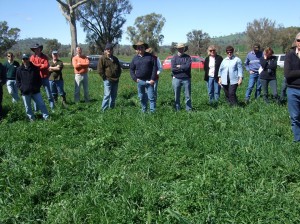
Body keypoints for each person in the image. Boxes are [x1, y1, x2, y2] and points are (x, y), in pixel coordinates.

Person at [16, 54, 49, 121]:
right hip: (25, 92)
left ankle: (46, 117)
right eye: (23, 59)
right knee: (27, 107)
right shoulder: (19, 69)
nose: (25, 60)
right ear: (22, 60)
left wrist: (37, 87)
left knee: (41, 104)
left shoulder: (35, 68)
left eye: (26, 59)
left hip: (35, 91)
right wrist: (22, 88)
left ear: (29, 59)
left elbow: (39, 79)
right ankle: (32, 119)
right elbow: (17, 81)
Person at [130, 41, 157, 113]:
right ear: (137, 49)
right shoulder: (135, 58)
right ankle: (144, 110)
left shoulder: (150, 57)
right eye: (138, 47)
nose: (140, 49)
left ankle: (152, 113)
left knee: (151, 97)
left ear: (144, 48)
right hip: (140, 81)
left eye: (142, 47)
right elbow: (131, 69)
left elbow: (155, 68)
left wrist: (152, 79)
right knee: (141, 97)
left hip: (149, 81)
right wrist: (135, 79)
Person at [284, 32, 300, 142]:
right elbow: (287, 74)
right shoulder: (290, 55)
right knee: (295, 117)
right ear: (296, 41)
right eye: (299, 40)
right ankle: (297, 140)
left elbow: (292, 73)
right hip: (293, 90)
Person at [30, 43, 55, 111]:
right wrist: (41, 65)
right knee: (35, 94)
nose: (36, 50)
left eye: (38, 49)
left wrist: (36, 66)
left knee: (49, 94)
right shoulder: (32, 57)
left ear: (40, 49)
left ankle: (52, 108)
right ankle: (36, 110)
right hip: (36, 78)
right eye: (35, 49)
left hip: (44, 77)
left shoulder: (45, 57)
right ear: (34, 50)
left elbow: (46, 65)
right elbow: (32, 65)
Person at [97, 43, 122, 111]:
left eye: (110, 49)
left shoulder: (115, 58)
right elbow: (99, 70)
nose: (109, 50)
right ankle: (104, 110)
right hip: (107, 80)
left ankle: (112, 108)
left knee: (114, 96)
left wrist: (118, 75)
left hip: (116, 80)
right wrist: (104, 78)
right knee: (107, 95)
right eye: (107, 49)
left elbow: (119, 68)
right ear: (105, 50)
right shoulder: (102, 58)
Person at [171, 43, 192, 111]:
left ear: (184, 49)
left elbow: (187, 67)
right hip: (176, 78)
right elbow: (173, 69)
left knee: (188, 95)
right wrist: (183, 67)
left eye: (182, 48)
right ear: (177, 49)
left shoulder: (188, 57)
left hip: (186, 78)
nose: (181, 49)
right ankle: (177, 109)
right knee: (176, 95)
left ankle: (188, 109)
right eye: (179, 48)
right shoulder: (174, 58)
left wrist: (179, 66)